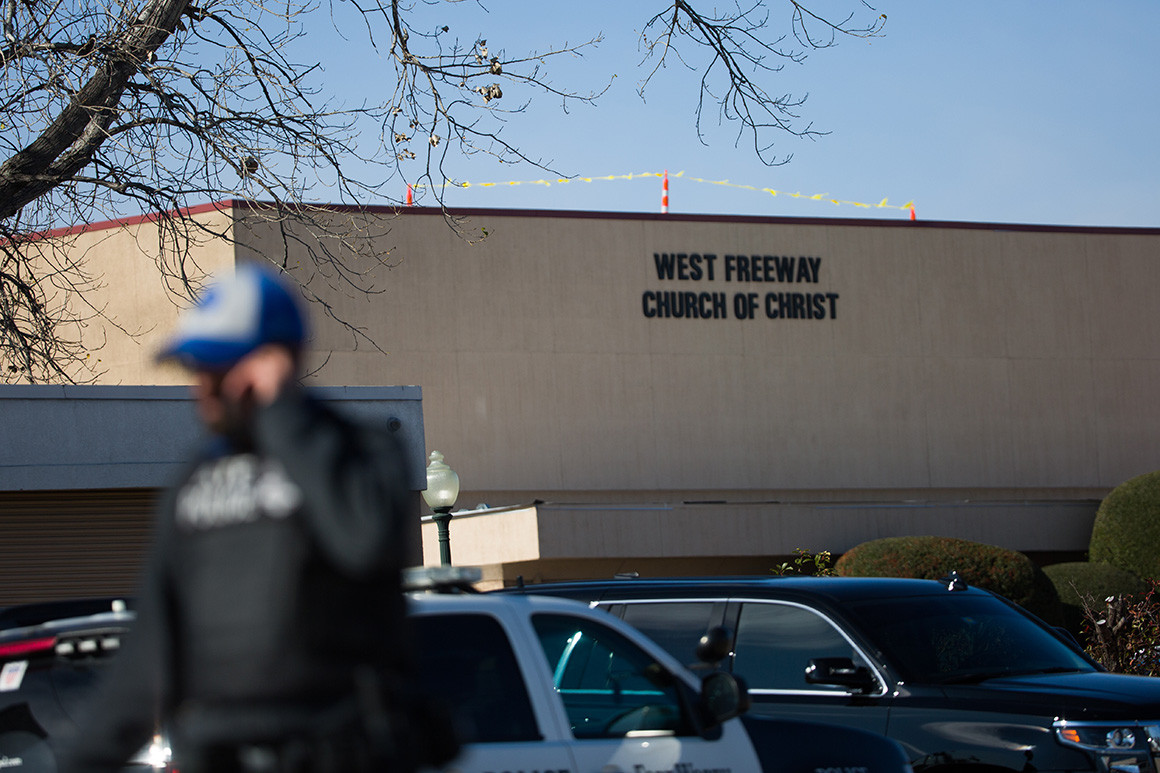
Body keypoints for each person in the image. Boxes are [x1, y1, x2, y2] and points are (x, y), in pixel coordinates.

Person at [60, 262, 425, 773]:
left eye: (216, 368)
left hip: (337, 751)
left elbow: (366, 544)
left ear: (272, 361)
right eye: (195, 369)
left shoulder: (361, 452)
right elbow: (149, 658)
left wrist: (284, 415)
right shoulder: (193, 482)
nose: (200, 387)